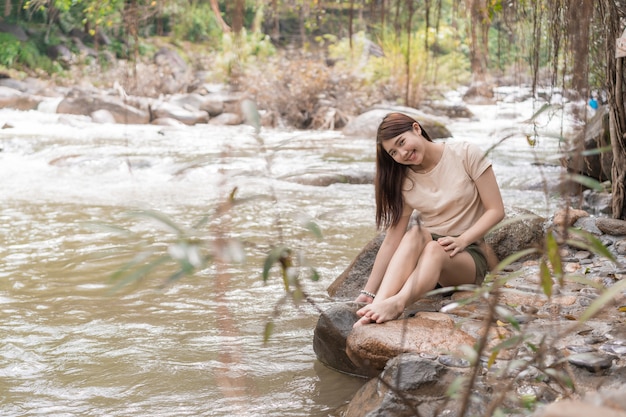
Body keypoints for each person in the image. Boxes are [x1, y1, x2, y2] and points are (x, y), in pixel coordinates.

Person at [353, 112, 505, 327]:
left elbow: (496, 210)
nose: (402, 154)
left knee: (434, 249)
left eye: (402, 142)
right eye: (394, 152)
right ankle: (378, 304)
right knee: (415, 232)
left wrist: (462, 239)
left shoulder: (466, 153)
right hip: (425, 258)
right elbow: (392, 240)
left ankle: (398, 303)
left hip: (466, 254)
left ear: (417, 128)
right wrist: (368, 291)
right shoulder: (404, 180)